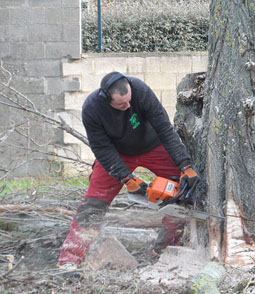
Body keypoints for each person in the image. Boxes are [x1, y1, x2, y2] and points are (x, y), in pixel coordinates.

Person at [58, 72, 199, 269]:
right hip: (116, 153)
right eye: (121, 104)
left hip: (153, 146)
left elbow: (165, 129)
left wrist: (185, 166)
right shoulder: (92, 109)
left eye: (129, 101)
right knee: (94, 202)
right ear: (106, 99)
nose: (128, 106)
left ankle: (165, 249)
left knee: (181, 191)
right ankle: (70, 259)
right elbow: (101, 148)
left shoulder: (140, 91)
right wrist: (126, 177)